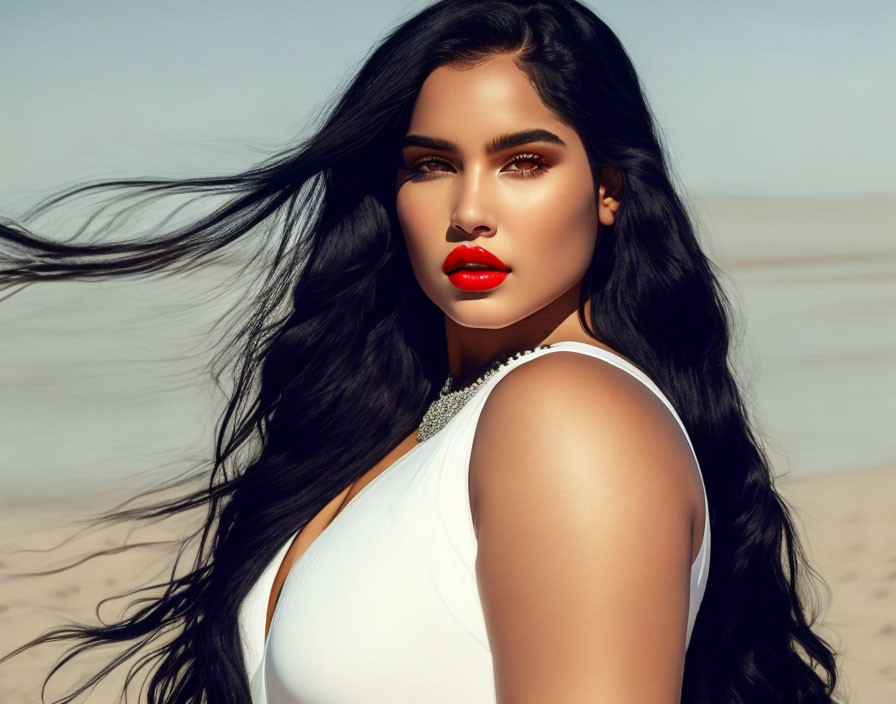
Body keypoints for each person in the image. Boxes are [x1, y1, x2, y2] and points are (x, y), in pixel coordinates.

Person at [0, 0, 841, 702]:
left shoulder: (570, 416)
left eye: (523, 162)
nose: (469, 210)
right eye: (432, 164)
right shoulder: (436, 417)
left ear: (608, 190)